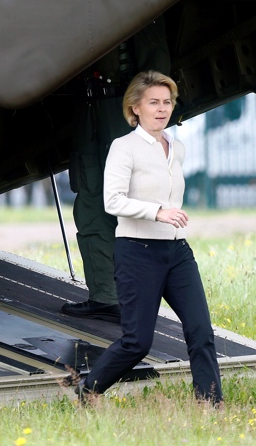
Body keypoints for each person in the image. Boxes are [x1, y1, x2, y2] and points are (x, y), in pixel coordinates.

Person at [76, 70, 223, 405]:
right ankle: (88, 390)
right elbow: (111, 201)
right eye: (153, 102)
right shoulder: (123, 147)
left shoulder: (177, 148)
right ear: (136, 108)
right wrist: (158, 211)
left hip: (178, 253)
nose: (162, 108)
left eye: (167, 102)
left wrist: (169, 217)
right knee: (137, 342)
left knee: (201, 331)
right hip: (137, 252)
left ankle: (211, 404)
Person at [61, 19, 171, 323]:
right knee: (91, 199)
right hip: (89, 102)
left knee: (131, 203)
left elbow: (155, 56)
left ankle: (136, 296)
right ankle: (105, 297)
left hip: (123, 106)